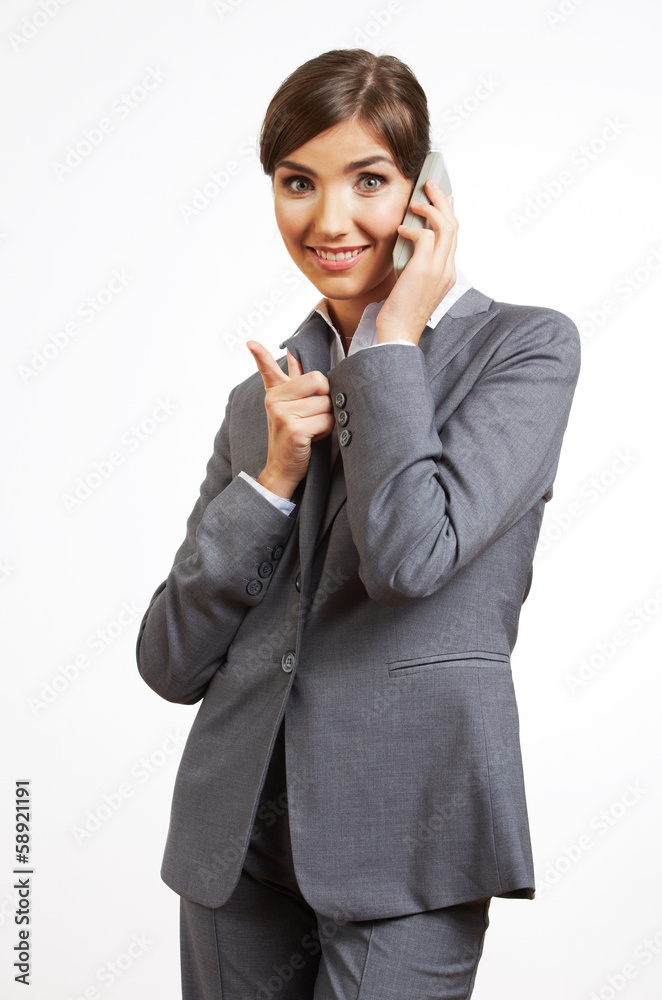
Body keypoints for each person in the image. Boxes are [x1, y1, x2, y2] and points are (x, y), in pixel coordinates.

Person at [136, 48, 581, 999]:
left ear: (428, 196)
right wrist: (270, 481)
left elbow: (410, 558)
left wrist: (392, 346)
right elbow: (170, 661)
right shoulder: (259, 405)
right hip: (237, 848)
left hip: (410, 842)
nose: (328, 221)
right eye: (298, 182)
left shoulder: (527, 349)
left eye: (368, 180)